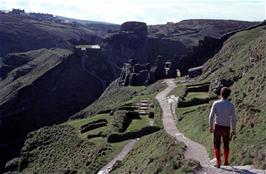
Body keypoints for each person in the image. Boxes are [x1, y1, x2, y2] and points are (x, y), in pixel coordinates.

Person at [209, 87, 237, 168]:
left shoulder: (216, 103)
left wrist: (210, 126)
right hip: (226, 128)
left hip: (217, 126)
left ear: (221, 94)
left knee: (216, 145)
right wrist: (233, 129)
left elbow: (211, 116)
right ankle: (226, 162)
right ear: (229, 95)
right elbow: (234, 119)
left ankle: (218, 163)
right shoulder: (231, 105)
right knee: (226, 145)